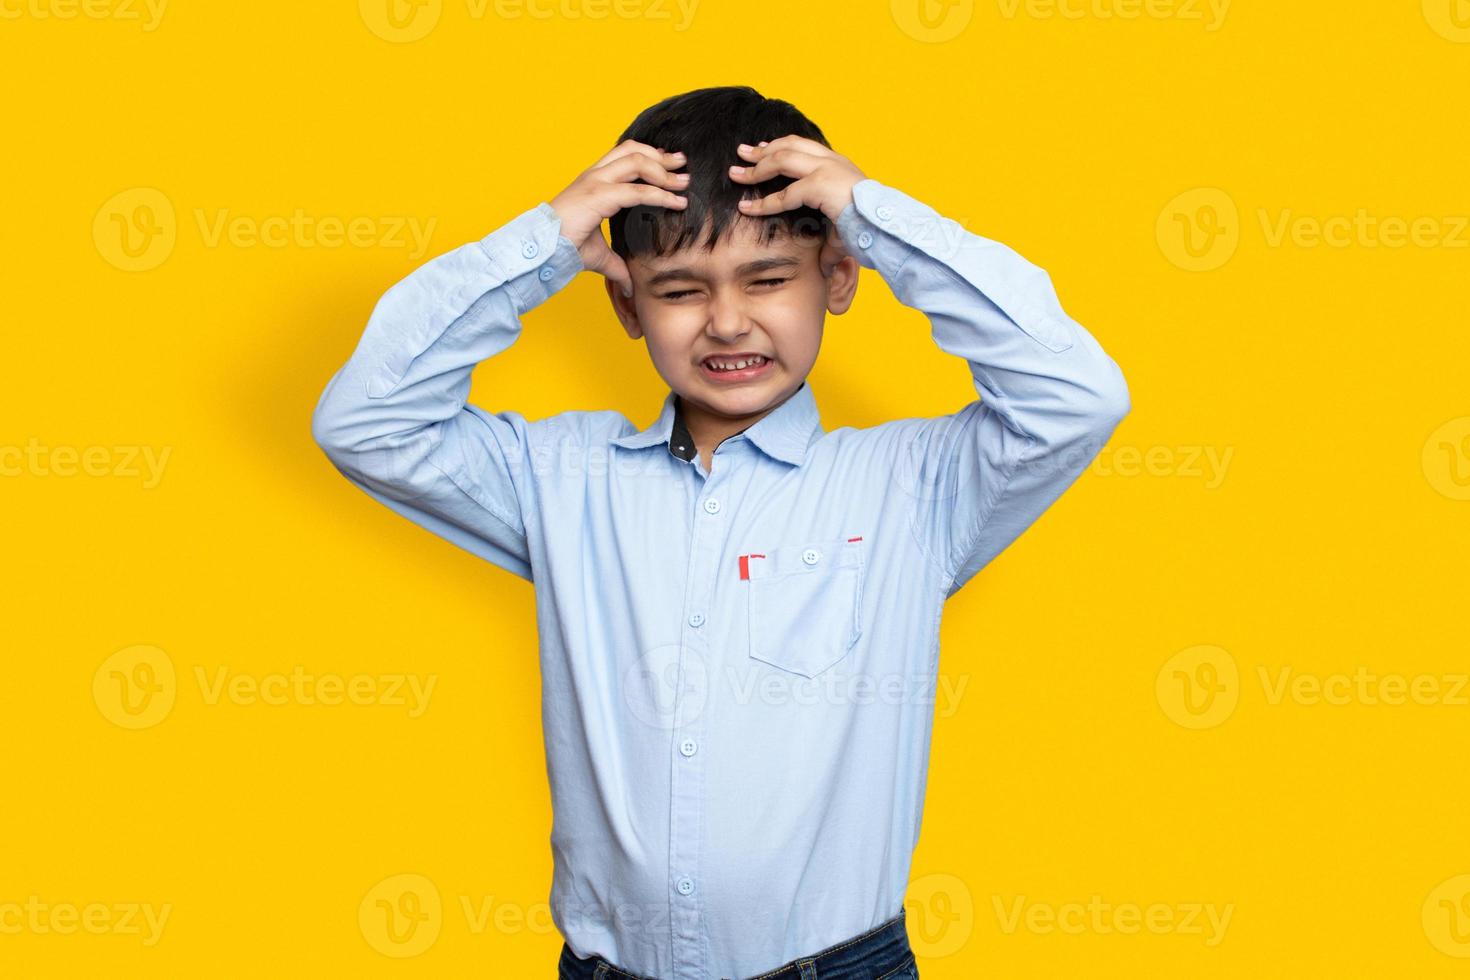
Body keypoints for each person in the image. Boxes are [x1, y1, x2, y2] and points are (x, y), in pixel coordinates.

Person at [311, 85, 1129, 980]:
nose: (728, 321)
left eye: (769, 279)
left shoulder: (914, 486)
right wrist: (541, 244)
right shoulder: (560, 481)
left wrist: (870, 214)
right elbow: (366, 422)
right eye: (679, 291)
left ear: (839, 278)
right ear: (628, 308)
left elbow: (1077, 397)